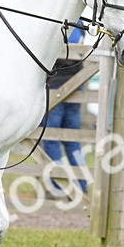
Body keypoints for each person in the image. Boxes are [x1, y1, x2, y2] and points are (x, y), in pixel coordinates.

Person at [42, 26, 90, 196]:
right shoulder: (79, 23)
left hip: (55, 87)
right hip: (76, 85)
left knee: (50, 139)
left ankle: (59, 186)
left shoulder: (59, 20)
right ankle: (82, 184)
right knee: (72, 140)